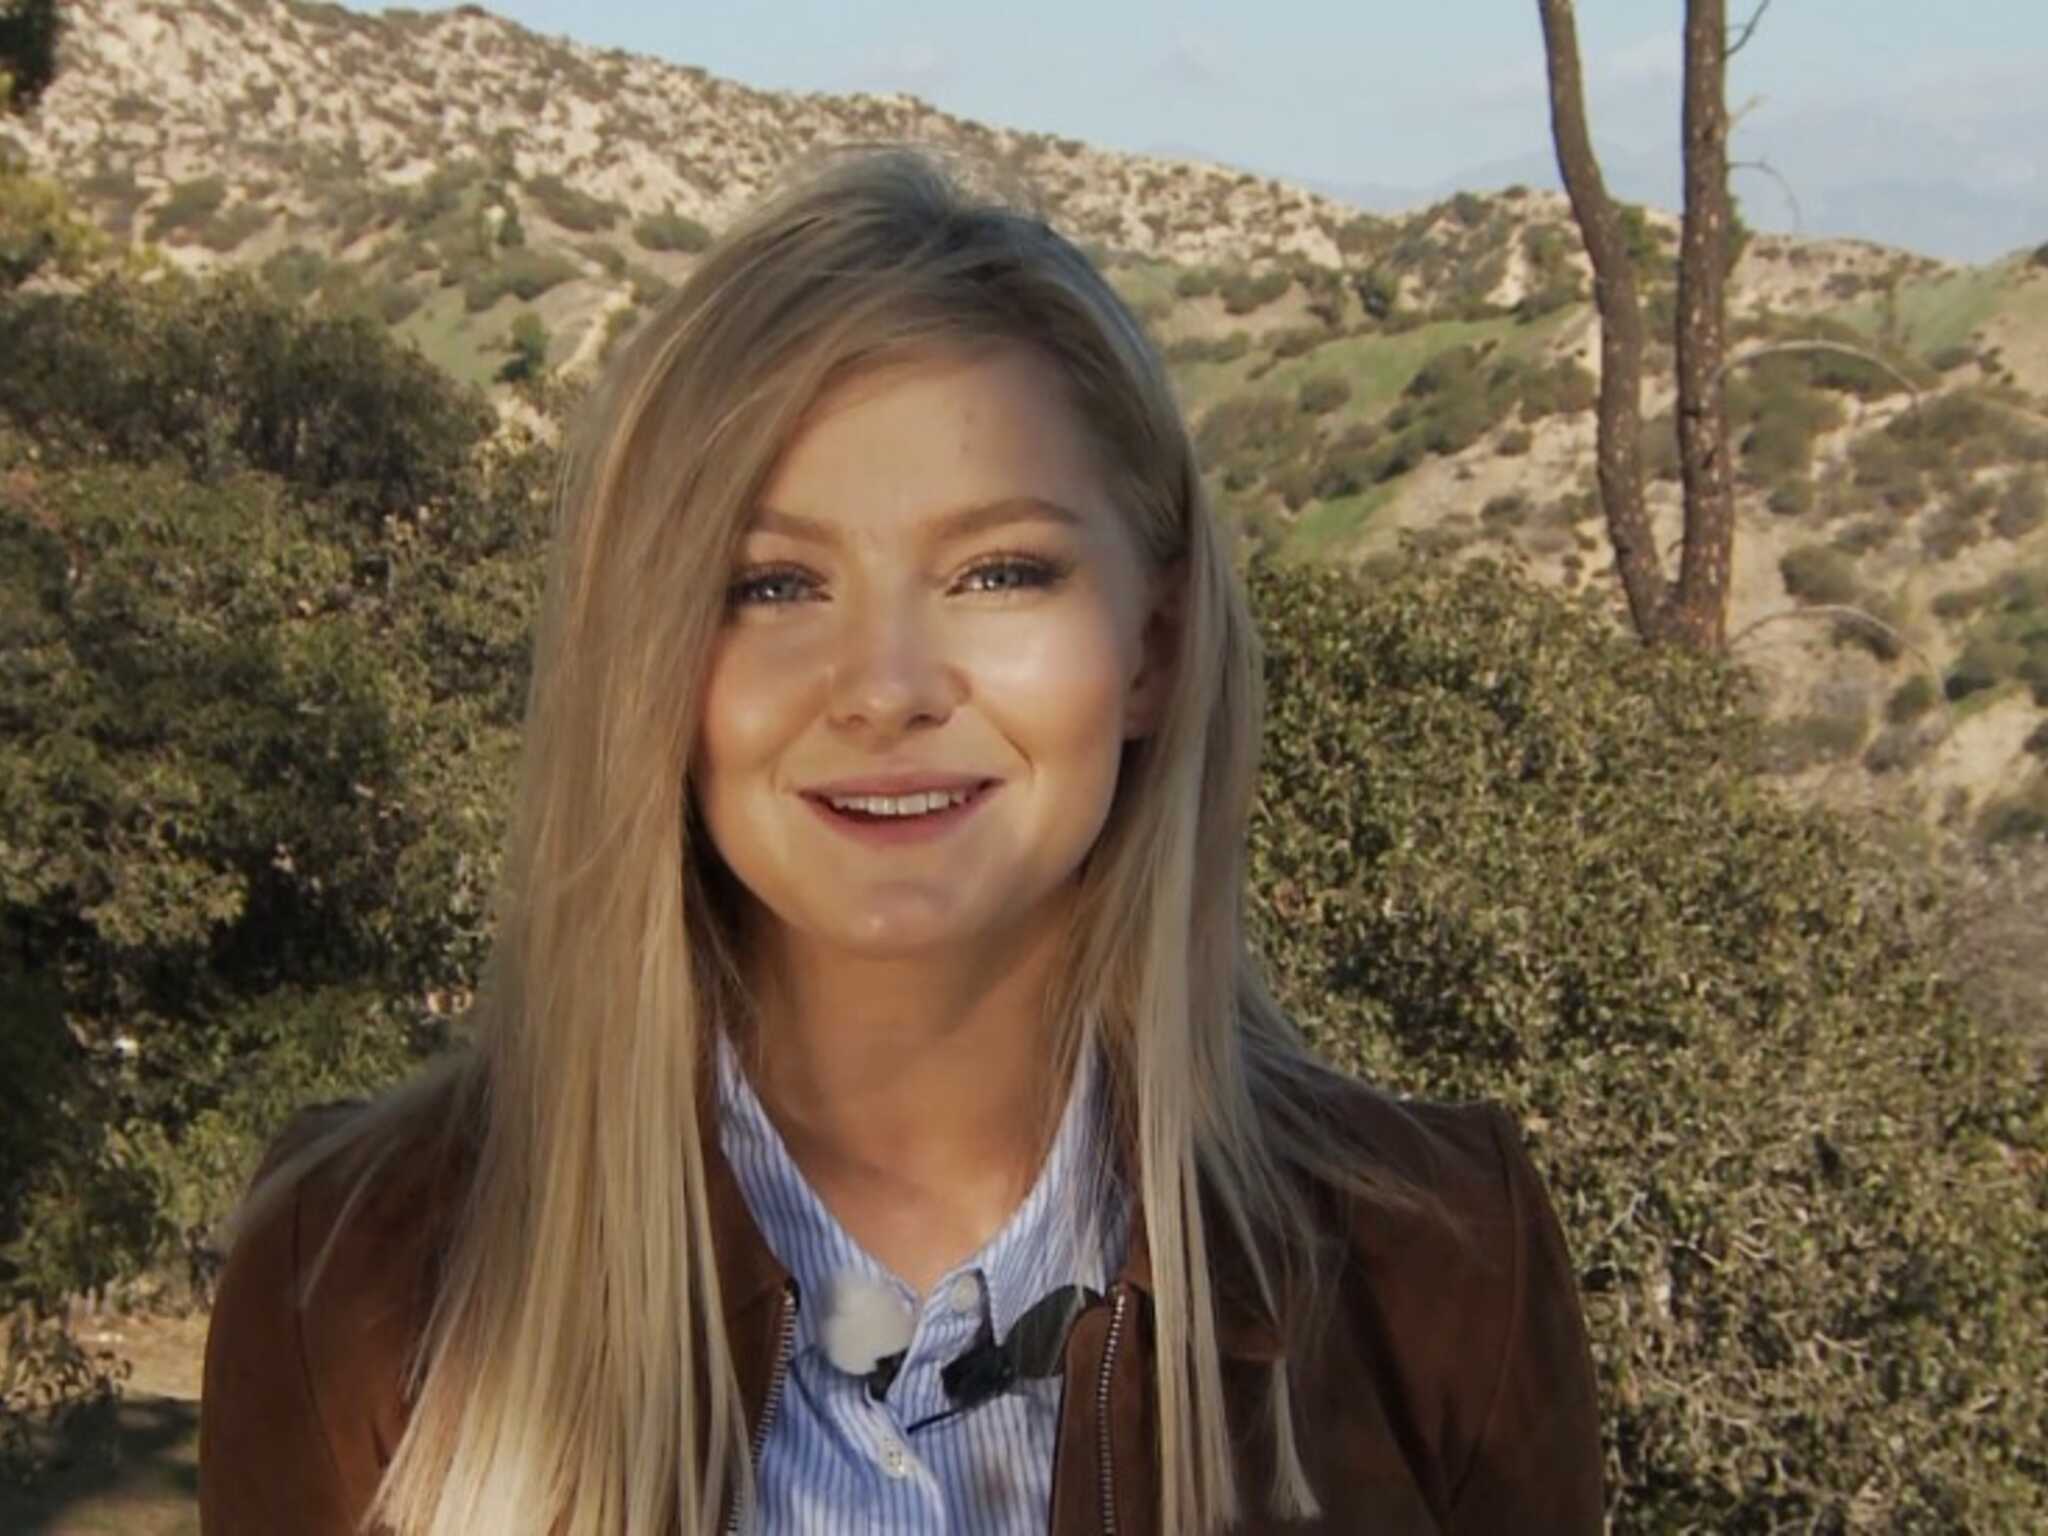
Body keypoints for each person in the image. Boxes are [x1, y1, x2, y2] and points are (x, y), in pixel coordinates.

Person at [198, 148, 1602, 1535]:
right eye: (771, 583)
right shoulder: (358, 1266)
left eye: (998, 572)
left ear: (1155, 647)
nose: (886, 687)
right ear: (649, 661)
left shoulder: (1438, 1264)